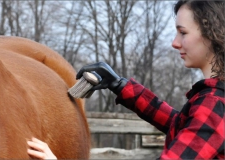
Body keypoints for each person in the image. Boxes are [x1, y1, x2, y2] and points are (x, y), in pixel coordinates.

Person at [27, 0, 224, 159]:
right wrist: (119, 85)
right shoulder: (214, 101)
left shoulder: (214, 104)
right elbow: (180, 125)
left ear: (211, 33)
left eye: (183, 33)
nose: (174, 42)